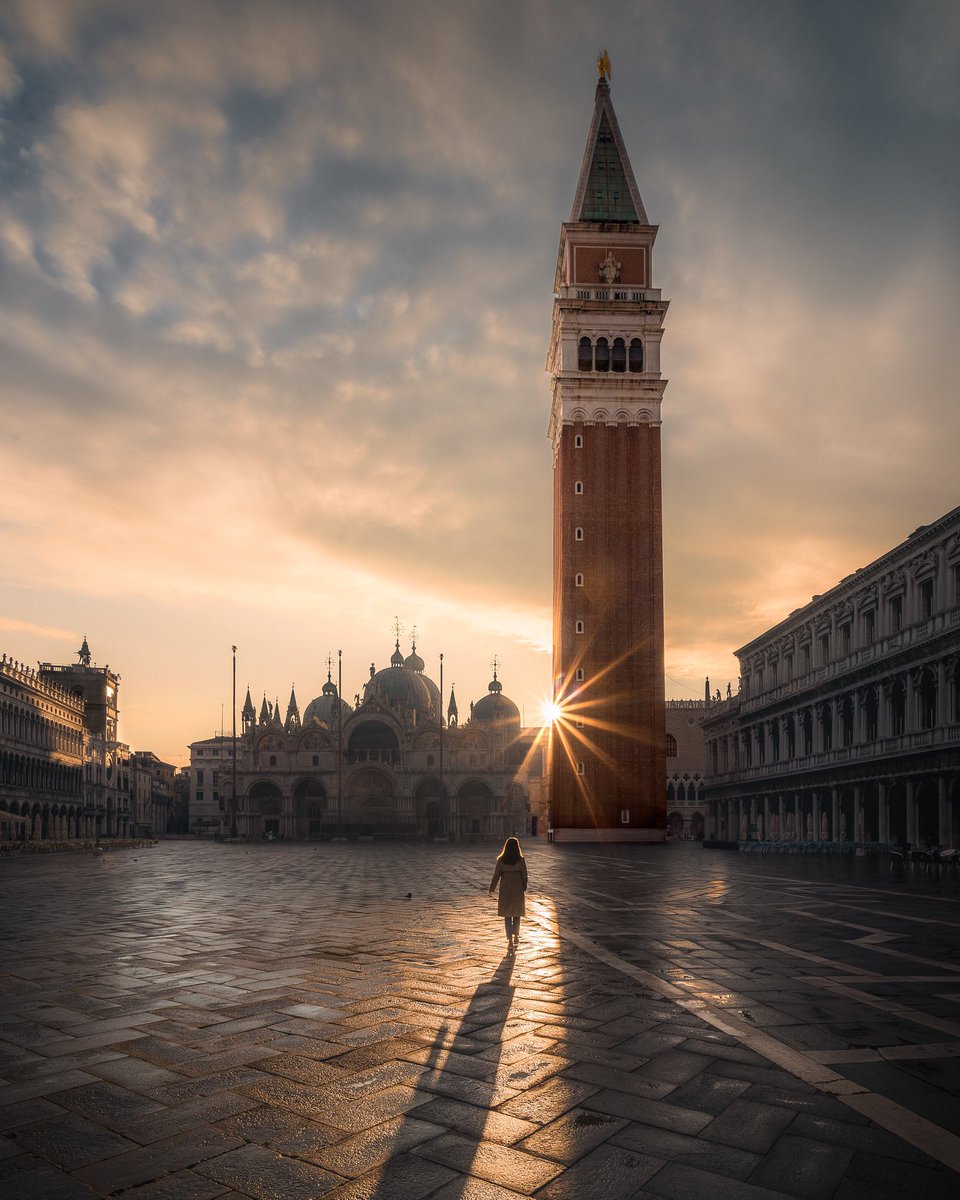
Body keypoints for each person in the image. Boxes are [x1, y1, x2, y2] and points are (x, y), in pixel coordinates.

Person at [489, 836, 527, 951]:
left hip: (505, 890)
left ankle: (510, 940)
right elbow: (524, 876)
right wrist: (524, 887)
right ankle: (516, 936)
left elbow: (496, 875)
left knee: (507, 916)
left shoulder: (501, 860)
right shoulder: (520, 860)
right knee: (516, 914)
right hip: (517, 890)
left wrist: (492, 888)